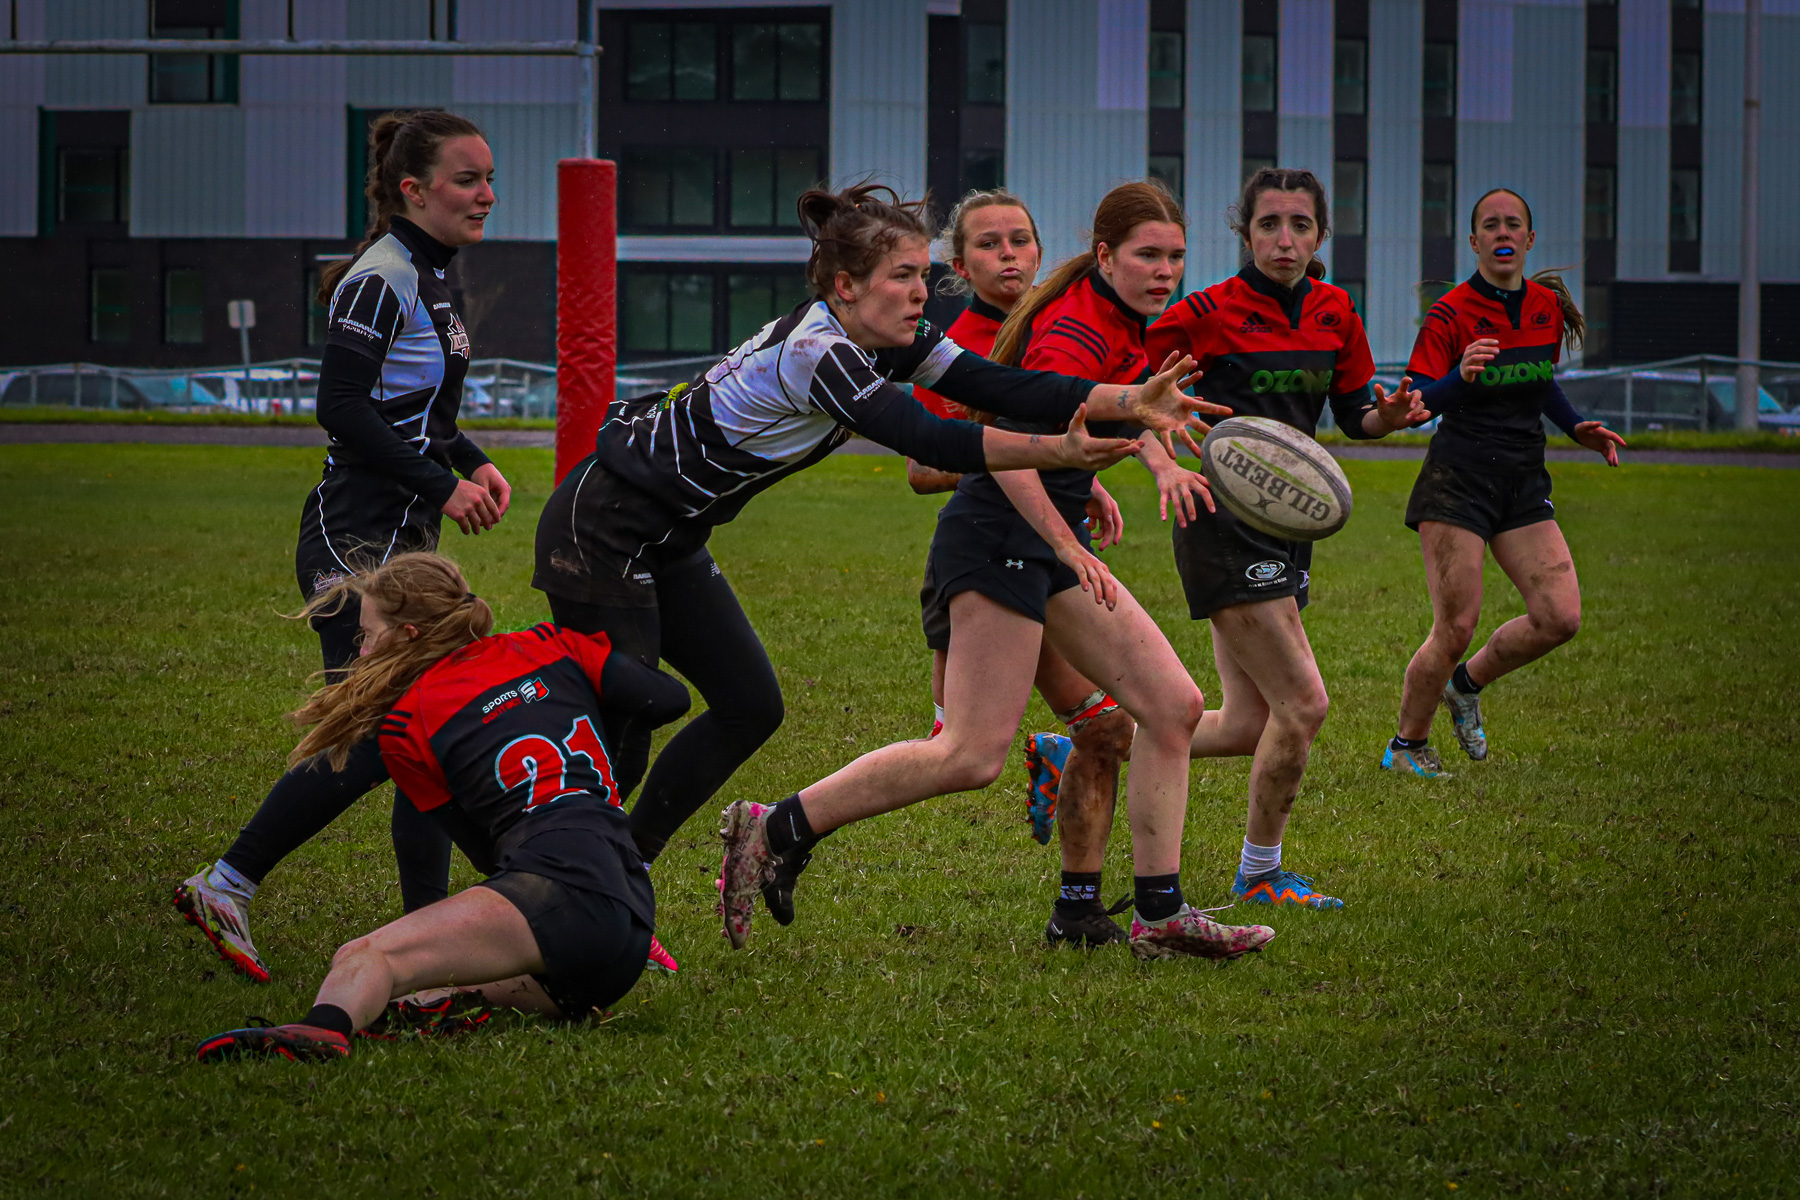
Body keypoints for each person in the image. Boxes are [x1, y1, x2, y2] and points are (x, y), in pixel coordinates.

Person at [532, 182, 1212, 884]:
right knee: (625, 724)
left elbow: (1000, 388)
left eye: (923, 274)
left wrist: (1130, 401)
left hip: (671, 537)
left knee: (749, 706)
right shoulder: (819, 352)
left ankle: (623, 869)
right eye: (904, 277)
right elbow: (927, 440)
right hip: (601, 531)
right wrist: (1060, 453)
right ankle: (560, 877)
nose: (922, 293)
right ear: (846, 286)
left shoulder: (894, 338)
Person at [717, 184, 1277, 964]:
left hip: (1038, 545)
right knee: (970, 753)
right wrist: (1068, 541)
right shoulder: (1076, 327)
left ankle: (1159, 913)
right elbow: (1004, 448)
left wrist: (1128, 461)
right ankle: (777, 825)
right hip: (997, 540)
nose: (1165, 272)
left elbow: (1083, 425)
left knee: (1171, 706)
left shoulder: (1117, 322)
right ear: (1105, 255)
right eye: (1149, 255)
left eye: (1175, 256)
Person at [175, 110, 516, 983]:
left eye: (488, 177)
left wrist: (472, 461)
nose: (487, 194)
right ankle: (227, 881)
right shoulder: (384, 277)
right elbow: (343, 406)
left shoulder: (434, 278)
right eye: (467, 179)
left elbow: (424, 415)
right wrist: (445, 484)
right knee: (377, 734)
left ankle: (430, 936)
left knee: (419, 736)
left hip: (400, 540)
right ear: (414, 190)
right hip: (352, 537)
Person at [1032, 167, 1428, 912]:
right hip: (1216, 521)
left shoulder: (1336, 311)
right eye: (1270, 224)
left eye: (1300, 225)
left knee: (1251, 724)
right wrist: (1143, 454)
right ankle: (1260, 872)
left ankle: (1093, 743)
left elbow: (1352, 415)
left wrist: (1393, 417)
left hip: (1289, 527)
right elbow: (1120, 389)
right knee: (1305, 705)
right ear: (1245, 233)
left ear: (1320, 236)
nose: (1285, 239)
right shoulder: (1200, 313)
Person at [196, 554, 691, 1063]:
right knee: (405, 999)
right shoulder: (549, 643)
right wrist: (569, 710)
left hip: (559, 893)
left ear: (408, 633)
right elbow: (671, 699)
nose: (359, 648)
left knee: (365, 957)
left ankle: (319, 1032)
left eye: (366, 634)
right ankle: (460, 1006)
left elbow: (483, 851)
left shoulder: (405, 725)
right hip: (628, 920)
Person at [906, 189, 1142, 948]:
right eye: (989, 245)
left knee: (1096, 724)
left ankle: (1079, 901)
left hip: (1035, 552)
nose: (1010, 256)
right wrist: (1010, 456)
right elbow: (921, 468)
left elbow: (1057, 429)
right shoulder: (950, 346)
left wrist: (1085, 479)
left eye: (1021, 240)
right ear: (957, 263)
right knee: (955, 737)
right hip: (983, 547)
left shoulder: (1049, 322)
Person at [1381, 188, 1625, 777]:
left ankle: (1465, 687)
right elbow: (1413, 402)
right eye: (1489, 225)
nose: (1502, 232)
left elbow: (1539, 380)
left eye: (1513, 223)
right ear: (1474, 242)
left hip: (1521, 479)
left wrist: (1575, 428)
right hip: (1457, 480)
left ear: (1530, 238)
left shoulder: (1544, 305)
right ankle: (1406, 747)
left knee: (1559, 616)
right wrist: (1459, 377)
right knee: (1456, 626)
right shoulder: (1451, 313)